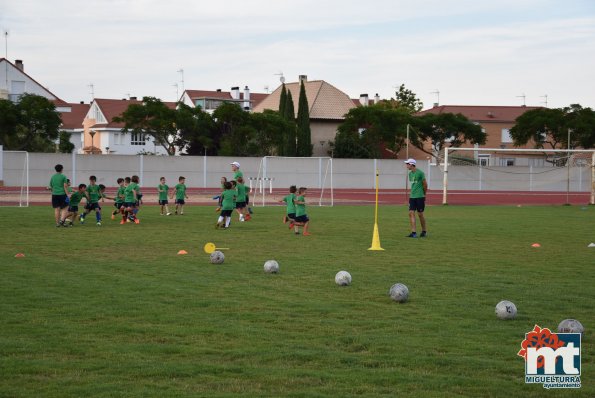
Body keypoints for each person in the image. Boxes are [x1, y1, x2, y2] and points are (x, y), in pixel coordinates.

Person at [405, 158, 427, 238]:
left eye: (407, 164)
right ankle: (413, 232)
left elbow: (425, 184)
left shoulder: (420, 173)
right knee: (411, 213)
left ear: (411, 164)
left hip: (420, 197)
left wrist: (423, 194)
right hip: (412, 197)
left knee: (420, 214)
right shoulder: (410, 174)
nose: (406, 165)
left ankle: (424, 231)